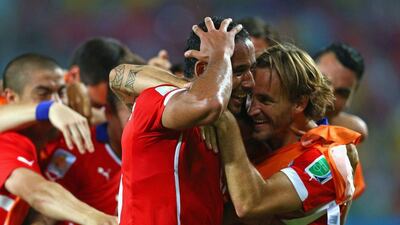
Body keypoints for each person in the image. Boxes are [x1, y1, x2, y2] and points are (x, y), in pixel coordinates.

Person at [110, 17, 255, 225]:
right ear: (202, 70)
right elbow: (117, 75)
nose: (251, 82)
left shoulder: (229, 128)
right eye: (238, 71)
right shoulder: (157, 100)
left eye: (251, 70)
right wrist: (220, 54)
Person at [213, 44, 361, 225]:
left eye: (265, 100)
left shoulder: (329, 158)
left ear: (299, 103)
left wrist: (224, 120)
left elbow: (250, 203)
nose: (252, 110)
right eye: (250, 97)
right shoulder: (256, 148)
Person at [0, 53, 117, 224]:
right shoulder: (7, 140)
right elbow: (39, 192)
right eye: (43, 93)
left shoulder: (54, 138)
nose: (57, 102)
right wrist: (100, 220)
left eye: (61, 92)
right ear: (11, 98)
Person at [314, 42, 368, 141]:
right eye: (324, 82)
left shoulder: (349, 134)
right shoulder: (279, 119)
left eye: (341, 93)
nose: (329, 98)